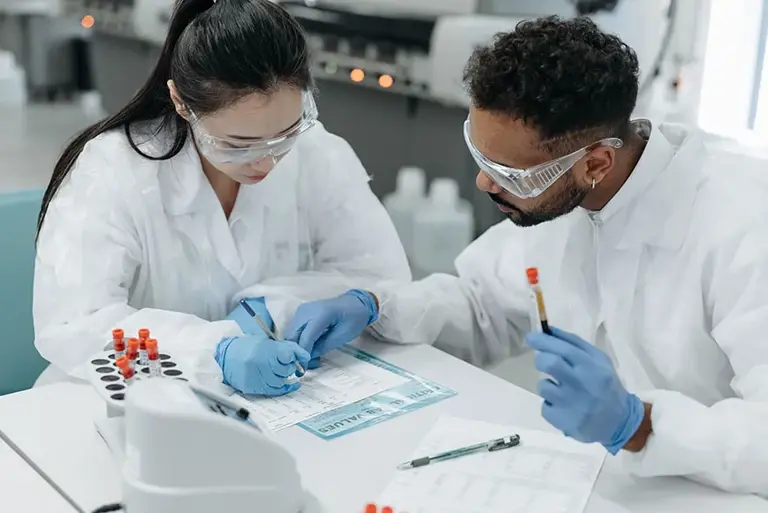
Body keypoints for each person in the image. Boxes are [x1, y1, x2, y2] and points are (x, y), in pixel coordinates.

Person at [283, 16, 768, 493]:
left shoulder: (742, 225)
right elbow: (480, 305)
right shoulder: (565, 200)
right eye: (479, 153)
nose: (485, 183)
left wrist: (639, 425)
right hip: (587, 482)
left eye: (511, 174)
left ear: (596, 163)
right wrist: (376, 308)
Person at [33, 0, 410, 396]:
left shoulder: (318, 153)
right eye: (239, 144)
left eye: (285, 135)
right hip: (120, 405)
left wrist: (275, 305)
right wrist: (213, 352)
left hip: (279, 407)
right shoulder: (112, 170)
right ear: (181, 102)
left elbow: (380, 277)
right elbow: (75, 324)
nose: (265, 162)